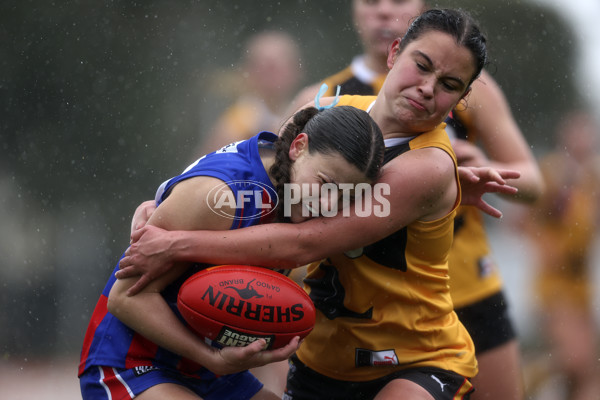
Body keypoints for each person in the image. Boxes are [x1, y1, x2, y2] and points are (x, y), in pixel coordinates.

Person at [117, 9, 522, 399]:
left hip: (414, 359)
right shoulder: (331, 111)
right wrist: (170, 202)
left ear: (463, 96)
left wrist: (177, 242)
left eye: (450, 84)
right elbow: (261, 180)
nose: (429, 87)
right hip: (322, 359)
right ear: (395, 52)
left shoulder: (429, 166)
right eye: (422, 64)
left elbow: (304, 243)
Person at [289, 1, 545, 399]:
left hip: (464, 289)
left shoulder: (469, 87)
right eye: (373, 2)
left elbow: (533, 183)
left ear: (420, 8)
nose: (384, 11)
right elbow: (277, 189)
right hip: (362, 308)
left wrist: (471, 174)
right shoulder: (324, 99)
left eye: (399, 1)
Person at [78, 105, 386, 400]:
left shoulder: (292, 181)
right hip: (132, 364)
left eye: (345, 196)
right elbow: (125, 298)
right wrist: (211, 356)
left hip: (207, 372)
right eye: (325, 184)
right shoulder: (222, 196)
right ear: (298, 147)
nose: (330, 206)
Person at [522, 110, 600, 400]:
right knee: (575, 360)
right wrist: (547, 249)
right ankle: (527, 376)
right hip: (554, 283)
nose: (584, 141)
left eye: (587, 134)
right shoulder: (552, 173)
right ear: (565, 137)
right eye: (578, 133)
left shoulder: (592, 178)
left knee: (587, 371)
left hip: (582, 284)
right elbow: (525, 221)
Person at [199, 30, 303, 154]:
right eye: (264, 66)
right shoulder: (238, 122)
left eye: (277, 66)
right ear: (247, 72)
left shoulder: (304, 107)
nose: (271, 75)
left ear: (297, 69)